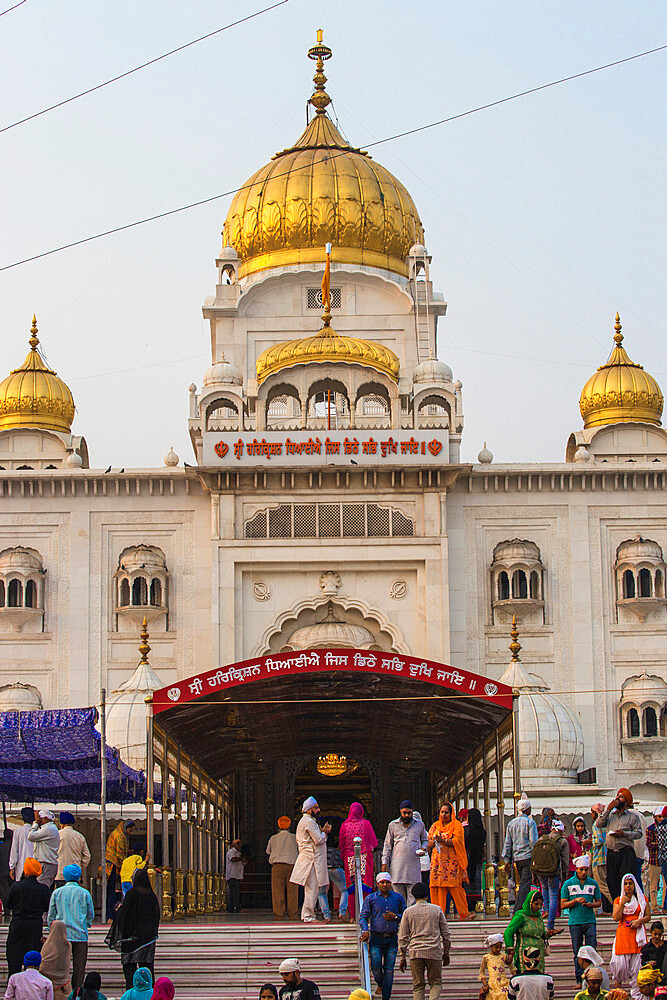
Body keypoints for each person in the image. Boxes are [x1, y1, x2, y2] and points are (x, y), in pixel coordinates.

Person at [398, 880, 450, 1000]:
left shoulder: (408, 912)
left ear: (414, 895)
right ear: (427, 895)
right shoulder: (437, 910)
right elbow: (446, 934)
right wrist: (446, 953)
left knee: (418, 986)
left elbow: (403, 937)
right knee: (435, 983)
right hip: (434, 952)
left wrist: (402, 957)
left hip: (416, 953)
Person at [359, 873, 406, 1000]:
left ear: (390, 884)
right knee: (376, 967)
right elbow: (363, 916)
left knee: (389, 970)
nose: (385, 885)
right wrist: (365, 930)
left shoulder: (398, 898)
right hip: (376, 938)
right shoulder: (371, 898)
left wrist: (395, 917)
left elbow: (406, 915)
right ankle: (380, 984)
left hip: (391, 938)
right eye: (382, 882)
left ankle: (386, 997)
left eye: (387, 882)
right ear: (377, 884)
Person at [48, 864, 94, 992]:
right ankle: (77, 991)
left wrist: (51, 929)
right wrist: (87, 923)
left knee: (62, 966)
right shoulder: (85, 893)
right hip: (80, 935)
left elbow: (51, 915)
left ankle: (63, 991)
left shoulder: (57, 892)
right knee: (79, 968)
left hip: (62, 936)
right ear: (78, 876)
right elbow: (90, 914)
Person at [427, 802, 473, 921]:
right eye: (442, 812)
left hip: (451, 862)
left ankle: (464, 913)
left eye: (446, 812)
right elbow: (429, 840)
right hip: (437, 863)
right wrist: (432, 843)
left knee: (455, 887)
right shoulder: (435, 826)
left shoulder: (456, 825)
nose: (443, 814)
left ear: (451, 813)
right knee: (438, 888)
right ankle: (439, 915)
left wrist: (443, 841)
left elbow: (457, 841)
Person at [561, 856, 601, 989]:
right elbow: (562, 904)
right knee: (577, 952)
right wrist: (575, 901)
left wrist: (591, 905)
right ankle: (579, 979)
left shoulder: (593, 884)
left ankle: (593, 977)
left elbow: (599, 902)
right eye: (581, 870)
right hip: (575, 922)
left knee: (591, 949)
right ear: (576, 870)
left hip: (590, 920)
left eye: (585, 870)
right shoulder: (568, 884)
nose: (583, 872)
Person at [5, 859, 51, 975]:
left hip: (18, 924)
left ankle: (14, 984)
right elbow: (47, 907)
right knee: (32, 958)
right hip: (35, 927)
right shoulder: (43, 889)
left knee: (14, 958)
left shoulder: (16, 887)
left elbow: (8, 904)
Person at [596, 790, 643, 903]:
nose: (618, 799)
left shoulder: (632, 817)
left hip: (625, 853)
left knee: (626, 880)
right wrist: (608, 809)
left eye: (621, 797)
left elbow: (639, 833)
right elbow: (598, 824)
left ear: (626, 802)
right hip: (612, 853)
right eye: (617, 796)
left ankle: (629, 904)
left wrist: (624, 834)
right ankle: (618, 905)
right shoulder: (610, 815)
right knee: (612, 881)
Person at [610, 873, 652, 999]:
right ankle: (618, 996)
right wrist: (622, 903)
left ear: (634, 885)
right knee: (620, 969)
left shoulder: (642, 898)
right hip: (623, 937)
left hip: (637, 938)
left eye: (630, 883)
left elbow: (648, 916)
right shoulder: (618, 900)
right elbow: (616, 917)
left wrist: (639, 921)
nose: (628, 886)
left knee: (637, 970)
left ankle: (637, 997)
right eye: (626, 884)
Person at [118, 868, 160, 988]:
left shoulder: (131, 894)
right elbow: (156, 916)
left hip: (131, 939)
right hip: (147, 939)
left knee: (130, 970)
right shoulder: (151, 896)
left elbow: (125, 915)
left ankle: (132, 993)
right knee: (147, 969)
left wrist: (119, 911)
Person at [290, 797, 330, 924]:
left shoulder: (308, 821)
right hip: (310, 859)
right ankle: (309, 916)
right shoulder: (308, 822)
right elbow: (318, 839)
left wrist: (322, 831)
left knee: (311, 888)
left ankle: (306, 914)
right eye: (316, 808)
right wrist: (325, 833)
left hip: (310, 859)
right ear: (308, 810)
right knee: (312, 888)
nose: (318, 810)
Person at [382, 801, 428, 905]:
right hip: (397, 867)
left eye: (409, 813)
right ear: (400, 812)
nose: (407, 815)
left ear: (412, 812)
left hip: (413, 866)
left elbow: (425, 840)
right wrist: (384, 862)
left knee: (413, 896)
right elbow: (387, 845)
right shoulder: (393, 825)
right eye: (404, 813)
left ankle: (410, 918)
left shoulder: (419, 825)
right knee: (398, 897)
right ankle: (401, 919)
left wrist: (423, 848)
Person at [340, 802, 378, 918]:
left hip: (349, 858)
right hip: (365, 858)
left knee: (352, 887)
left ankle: (353, 916)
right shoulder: (366, 824)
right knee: (365, 886)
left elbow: (341, 844)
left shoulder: (344, 825)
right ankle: (365, 915)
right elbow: (374, 843)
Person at [502, 796, 538, 913]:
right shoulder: (530, 822)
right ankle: (519, 909)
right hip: (528, 857)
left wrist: (507, 860)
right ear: (527, 810)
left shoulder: (511, 823)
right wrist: (535, 858)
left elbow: (508, 843)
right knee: (525, 884)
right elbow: (533, 842)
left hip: (517, 858)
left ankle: (524, 907)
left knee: (523, 882)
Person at [504, 890, 548, 974]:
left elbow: (541, 934)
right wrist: (510, 950)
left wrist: (549, 934)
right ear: (530, 903)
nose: (538, 907)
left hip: (539, 954)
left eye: (540, 904)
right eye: (536, 904)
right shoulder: (521, 916)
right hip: (525, 954)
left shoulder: (538, 916)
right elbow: (508, 932)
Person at [530, 826, 563, 933]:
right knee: (553, 895)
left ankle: (546, 911)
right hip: (553, 872)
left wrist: (533, 875)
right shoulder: (562, 841)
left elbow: (534, 856)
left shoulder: (541, 839)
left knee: (544, 890)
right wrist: (564, 875)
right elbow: (565, 861)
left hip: (539, 871)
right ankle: (550, 925)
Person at [266, 817, 298, 921]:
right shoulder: (294, 837)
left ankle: (278, 915)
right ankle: (293, 914)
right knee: (292, 891)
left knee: (277, 891)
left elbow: (268, 851)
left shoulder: (273, 838)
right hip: (292, 866)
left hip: (277, 866)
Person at [105, 819, 135, 921]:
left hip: (110, 865)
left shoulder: (117, 833)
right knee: (112, 891)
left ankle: (111, 915)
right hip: (113, 866)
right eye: (130, 831)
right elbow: (120, 854)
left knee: (111, 891)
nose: (130, 833)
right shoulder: (120, 837)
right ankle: (112, 916)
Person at [55, 815, 91, 890]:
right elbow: (87, 856)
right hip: (75, 874)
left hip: (60, 874)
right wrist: (80, 867)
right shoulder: (79, 836)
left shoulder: (58, 835)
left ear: (62, 824)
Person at [40, 920, 72, 1000]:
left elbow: (43, 966)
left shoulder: (47, 946)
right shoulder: (68, 945)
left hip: (49, 986)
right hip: (64, 986)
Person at [28, 811, 60, 890]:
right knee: (42, 888)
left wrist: (35, 823)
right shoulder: (50, 828)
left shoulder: (49, 829)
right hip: (48, 863)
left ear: (46, 819)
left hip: (46, 864)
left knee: (42, 889)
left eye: (40, 819)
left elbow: (30, 836)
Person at [591, 804, 613, 914]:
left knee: (602, 885)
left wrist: (591, 842)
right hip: (607, 857)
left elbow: (598, 841)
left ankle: (616, 904)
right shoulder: (606, 823)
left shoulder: (596, 824)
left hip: (599, 858)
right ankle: (597, 909)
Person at [464, 808, 487, 911]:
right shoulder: (482, 831)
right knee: (476, 879)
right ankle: (473, 907)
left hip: (468, 857)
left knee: (467, 882)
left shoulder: (467, 830)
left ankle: (467, 908)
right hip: (478, 857)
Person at [478, 932, 511, 1000]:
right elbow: (481, 972)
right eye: (496, 947)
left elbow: (512, 967)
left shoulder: (503, 956)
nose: (498, 949)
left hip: (504, 983)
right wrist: (485, 984)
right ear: (491, 946)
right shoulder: (486, 957)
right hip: (492, 985)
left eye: (500, 947)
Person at [646, 809, 667, 915]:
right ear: (655, 817)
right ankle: (654, 906)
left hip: (661, 859)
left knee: (664, 885)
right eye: (659, 816)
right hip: (654, 860)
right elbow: (649, 844)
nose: (661, 819)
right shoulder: (650, 829)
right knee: (654, 885)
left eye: (661, 816)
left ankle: (663, 905)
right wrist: (661, 843)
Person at [325, 836, 348, 921]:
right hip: (336, 869)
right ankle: (342, 911)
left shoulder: (323, 850)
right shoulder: (338, 851)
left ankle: (326, 916)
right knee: (344, 890)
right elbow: (342, 862)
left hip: (325, 870)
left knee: (322, 893)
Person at [10, 809, 36, 882]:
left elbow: (14, 851)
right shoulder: (37, 831)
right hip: (35, 866)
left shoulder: (18, 831)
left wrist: (12, 867)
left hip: (21, 866)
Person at [412, 812, 431, 901]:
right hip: (414, 862)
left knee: (423, 884)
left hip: (424, 863)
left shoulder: (425, 833)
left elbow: (428, 847)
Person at [225, 838, 245, 913]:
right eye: (238, 843)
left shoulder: (238, 853)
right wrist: (241, 859)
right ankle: (238, 907)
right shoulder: (231, 852)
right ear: (233, 844)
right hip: (232, 875)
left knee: (234, 892)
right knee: (234, 892)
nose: (239, 845)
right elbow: (233, 859)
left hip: (236, 875)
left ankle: (230, 908)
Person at [0, 827, 13, 914]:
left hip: (2, 874)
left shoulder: (1, 847)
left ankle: (7, 911)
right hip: (13, 873)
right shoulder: (14, 846)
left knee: (4, 893)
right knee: (13, 891)